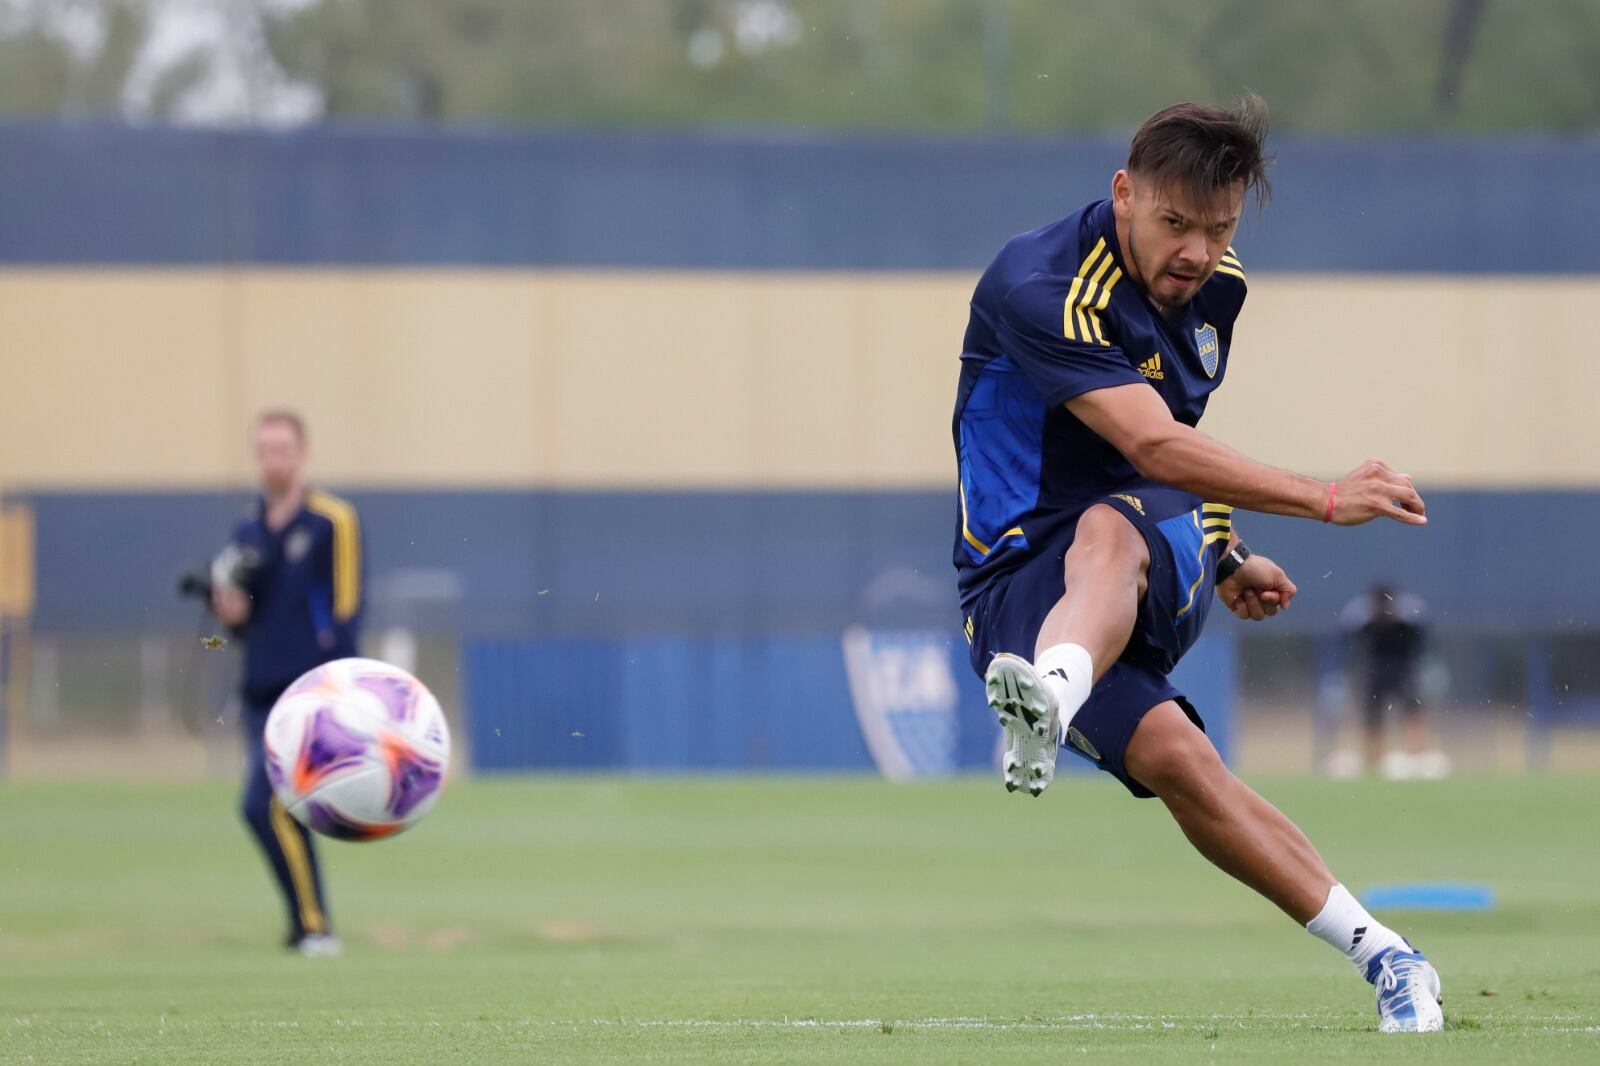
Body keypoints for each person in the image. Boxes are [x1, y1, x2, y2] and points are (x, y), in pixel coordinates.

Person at [952, 99, 1442, 1032]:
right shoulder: (1040, 285)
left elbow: (1162, 458)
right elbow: (1157, 446)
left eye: (1218, 229)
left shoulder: (1216, 287)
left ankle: (1047, 699)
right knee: (1184, 763)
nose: (1196, 252)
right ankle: (1392, 957)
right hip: (1012, 584)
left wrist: (1223, 551)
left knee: (1111, 527)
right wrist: (1323, 497)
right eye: (1175, 224)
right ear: (1124, 194)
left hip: (1127, 547)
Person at [212, 410, 363, 956]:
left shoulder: (331, 520)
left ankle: (315, 928)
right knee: (274, 809)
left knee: (265, 805)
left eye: (282, 449)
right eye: (264, 449)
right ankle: (307, 925)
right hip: (260, 690)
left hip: (311, 694)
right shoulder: (247, 530)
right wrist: (228, 612)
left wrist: (342, 687)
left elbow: (347, 608)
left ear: (302, 453)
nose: (273, 460)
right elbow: (243, 619)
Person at [1340, 583, 1444, 779]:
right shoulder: (1362, 618)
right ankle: (1373, 762)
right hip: (1376, 671)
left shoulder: (1409, 616)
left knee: (1413, 712)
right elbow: (1350, 636)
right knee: (1373, 717)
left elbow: (1421, 636)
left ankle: (1418, 758)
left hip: (1403, 670)